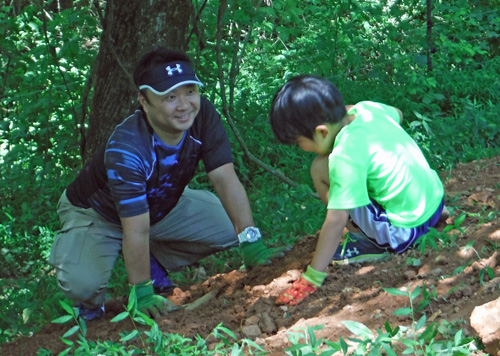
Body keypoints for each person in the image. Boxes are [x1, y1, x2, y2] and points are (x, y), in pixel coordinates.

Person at [49, 47, 281, 320]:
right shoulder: (128, 148)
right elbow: (134, 228)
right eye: (170, 96)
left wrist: (250, 241)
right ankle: (94, 301)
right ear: (144, 102)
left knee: (230, 230)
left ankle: (149, 258)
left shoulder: (202, 115)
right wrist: (143, 291)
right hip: (98, 214)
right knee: (82, 284)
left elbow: (225, 178)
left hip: (159, 203)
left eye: (190, 92)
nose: (184, 105)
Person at [269, 75, 448, 305]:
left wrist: (311, 279)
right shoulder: (368, 110)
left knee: (319, 168)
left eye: (299, 142)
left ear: (322, 132)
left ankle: (366, 241)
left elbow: (335, 220)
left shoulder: (345, 154)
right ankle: (425, 216)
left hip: (404, 231)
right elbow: (398, 114)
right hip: (435, 203)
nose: (301, 149)